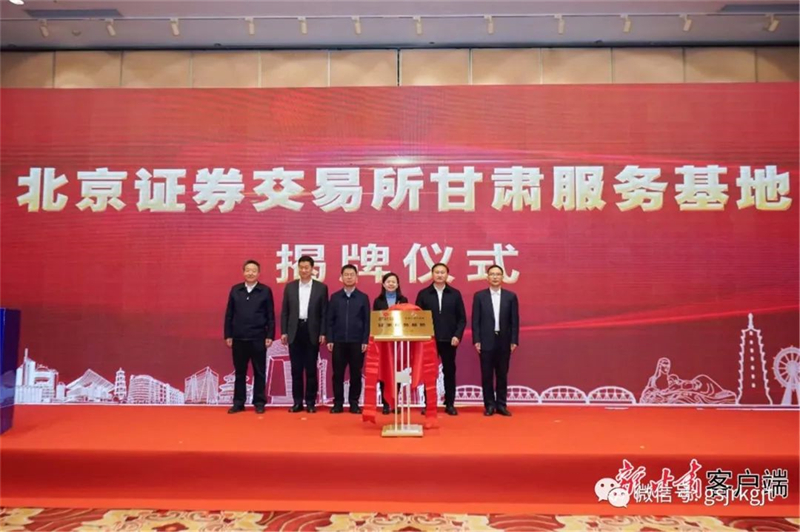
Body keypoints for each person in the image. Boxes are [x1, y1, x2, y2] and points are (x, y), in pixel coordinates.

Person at [224, 260, 275, 415]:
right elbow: (229, 314)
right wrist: (228, 334)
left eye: (253, 270)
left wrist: (270, 335)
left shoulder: (265, 291)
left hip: (258, 337)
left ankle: (259, 402)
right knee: (240, 372)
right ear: (243, 272)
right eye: (248, 270)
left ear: (258, 273)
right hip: (239, 338)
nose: (250, 273)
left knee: (259, 372)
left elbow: (270, 315)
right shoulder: (236, 290)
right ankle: (238, 403)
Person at [414, 262, 466, 416]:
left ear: (447, 275)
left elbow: (462, 319)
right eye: (437, 272)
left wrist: (457, 335)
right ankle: (429, 404)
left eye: (443, 272)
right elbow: (417, 318)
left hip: (450, 340)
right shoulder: (424, 294)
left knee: (449, 372)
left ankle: (450, 404)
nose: (440, 275)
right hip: (429, 340)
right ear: (432, 274)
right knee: (429, 373)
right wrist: (422, 336)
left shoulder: (455, 294)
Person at [280, 255, 328, 413]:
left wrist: (323, 332)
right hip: (295, 331)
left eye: (307, 267)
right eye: (301, 267)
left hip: (312, 331)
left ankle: (310, 402)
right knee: (296, 369)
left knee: (311, 369)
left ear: (312, 269)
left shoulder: (321, 288)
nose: (304, 270)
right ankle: (297, 402)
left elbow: (324, 313)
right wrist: (284, 331)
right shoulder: (290, 287)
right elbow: (285, 312)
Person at [471, 264, 519, 416]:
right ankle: (489, 405)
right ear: (487, 277)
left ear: (502, 277)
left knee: (502, 374)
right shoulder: (479, 296)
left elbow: (514, 321)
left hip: (504, 341)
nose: (495, 277)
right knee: (486, 375)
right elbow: (475, 320)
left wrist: (514, 340)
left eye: (498, 274)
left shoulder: (510, 296)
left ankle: (501, 405)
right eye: (492, 274)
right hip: (486, 340)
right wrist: (476, 340)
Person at [326, 265, 370, 414]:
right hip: (338, 341)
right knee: (338, 374)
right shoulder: (335, 297)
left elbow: (367, 321)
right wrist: (330, 339)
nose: (349, 277)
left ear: (357, 278)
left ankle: (354, 403)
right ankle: (338, 403)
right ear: (341, 277)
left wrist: (365, 340)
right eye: (346, 274)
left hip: (357, 342)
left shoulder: (363, 297)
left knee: (356, 374)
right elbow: (330, 320)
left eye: (352, 274)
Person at [372, 272, 409, 415]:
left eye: (394, 282)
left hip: (399, 341)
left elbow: (407, 318)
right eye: (388, 281)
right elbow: (376, 320)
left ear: (398, 284)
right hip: (384, 341)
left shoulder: (403, 300)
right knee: (385, 371)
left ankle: (395, 402)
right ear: (383, 284)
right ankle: (385, 403)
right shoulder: (378, 301)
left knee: (397, 371)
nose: (391, 284)